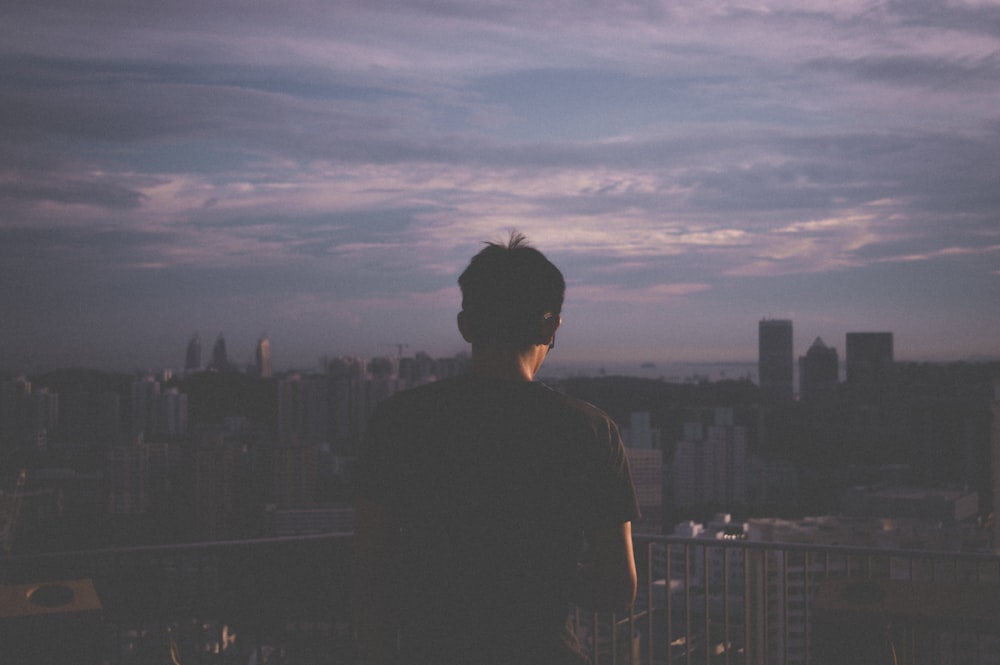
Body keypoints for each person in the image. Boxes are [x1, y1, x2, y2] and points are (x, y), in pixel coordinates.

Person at [353, 232, 639, 665]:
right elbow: (619, 588)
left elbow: (368, 569)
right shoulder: (589, 431)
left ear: (465, 325)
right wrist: (545, 575)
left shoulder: (400, 420)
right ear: (551, 326)